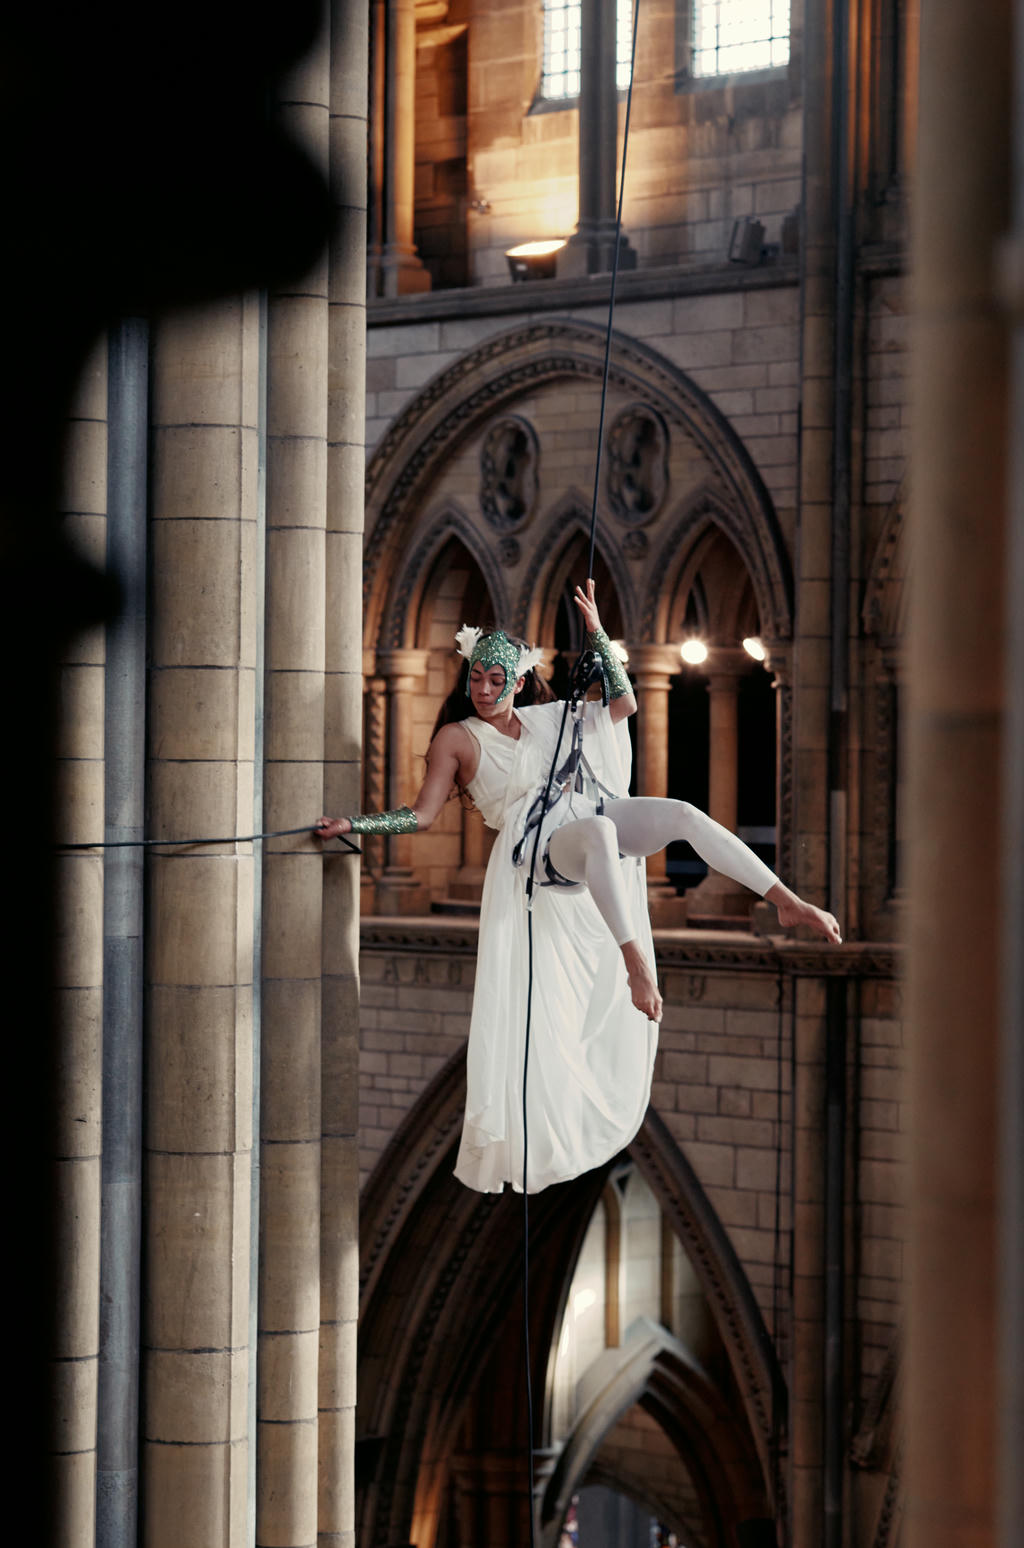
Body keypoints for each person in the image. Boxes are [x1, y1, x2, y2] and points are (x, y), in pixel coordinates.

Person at [316, 582, 840, 1193]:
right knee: (595, 830)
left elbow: (623, 705)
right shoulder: (457, 739)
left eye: (494, 681)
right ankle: (635, 963)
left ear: (516, 682)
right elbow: (423, 816)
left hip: (582, 819)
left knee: (680, 814)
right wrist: (357, 824)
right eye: (475, 679)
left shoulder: (548, 720)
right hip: (535, 850)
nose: (482, 691)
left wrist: (595, 631)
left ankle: (785, 899)